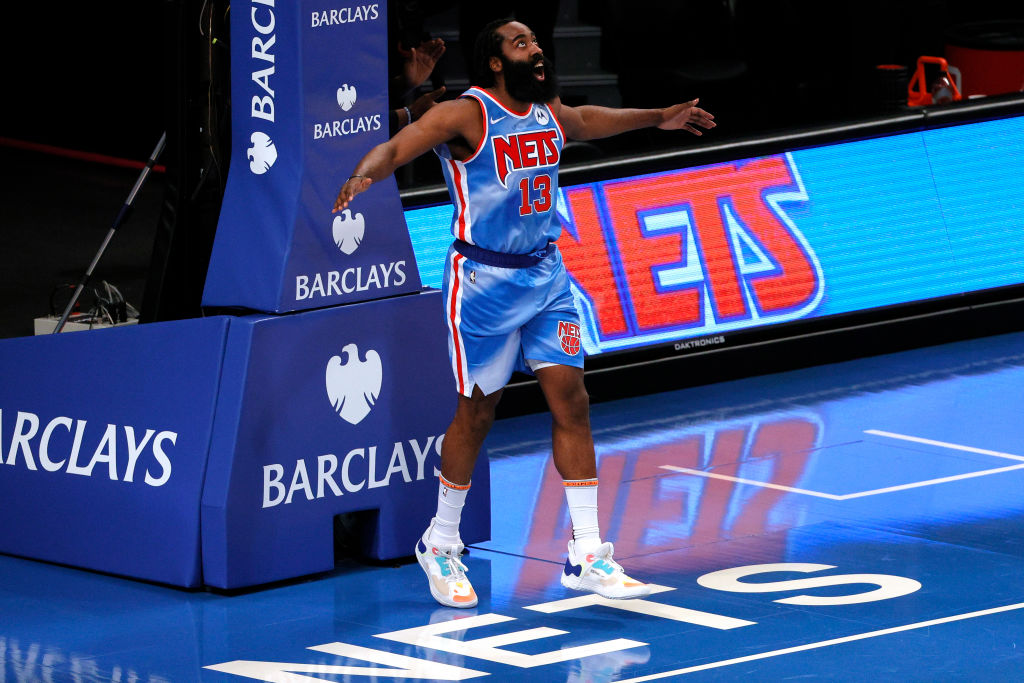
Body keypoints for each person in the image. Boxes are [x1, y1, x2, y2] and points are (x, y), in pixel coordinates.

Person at [333, 17, 715, 609]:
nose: (536, 50)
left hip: (545, 276)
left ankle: (587, 552)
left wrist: (657, 116)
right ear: (495, 61)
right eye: (521, 44)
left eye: (536, 41)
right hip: (483, 283)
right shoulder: (467, 113)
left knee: (572, 401)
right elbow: (400, 146)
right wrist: (364, 175)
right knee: (477, 414)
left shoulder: (546, 112)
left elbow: (589, 120)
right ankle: (440, 541)